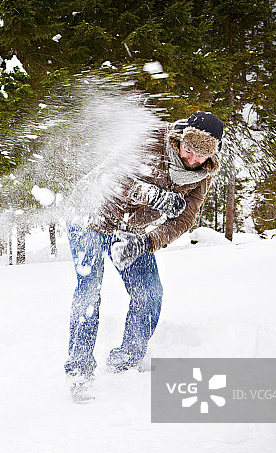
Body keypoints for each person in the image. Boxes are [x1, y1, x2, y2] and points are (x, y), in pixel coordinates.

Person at [65, 111, 224, 403]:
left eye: (200, 156)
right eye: (188, 150)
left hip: (130, 230)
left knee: (150, 293)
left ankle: (126, 361)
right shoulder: (150, 138)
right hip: (89, 215)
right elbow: (110, 178)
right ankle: (79, 371)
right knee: (89, 290)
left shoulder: (202, 175)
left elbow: (185, 218)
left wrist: (147, 241)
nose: (191, 160)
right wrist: (154, 196)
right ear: (181, 139)